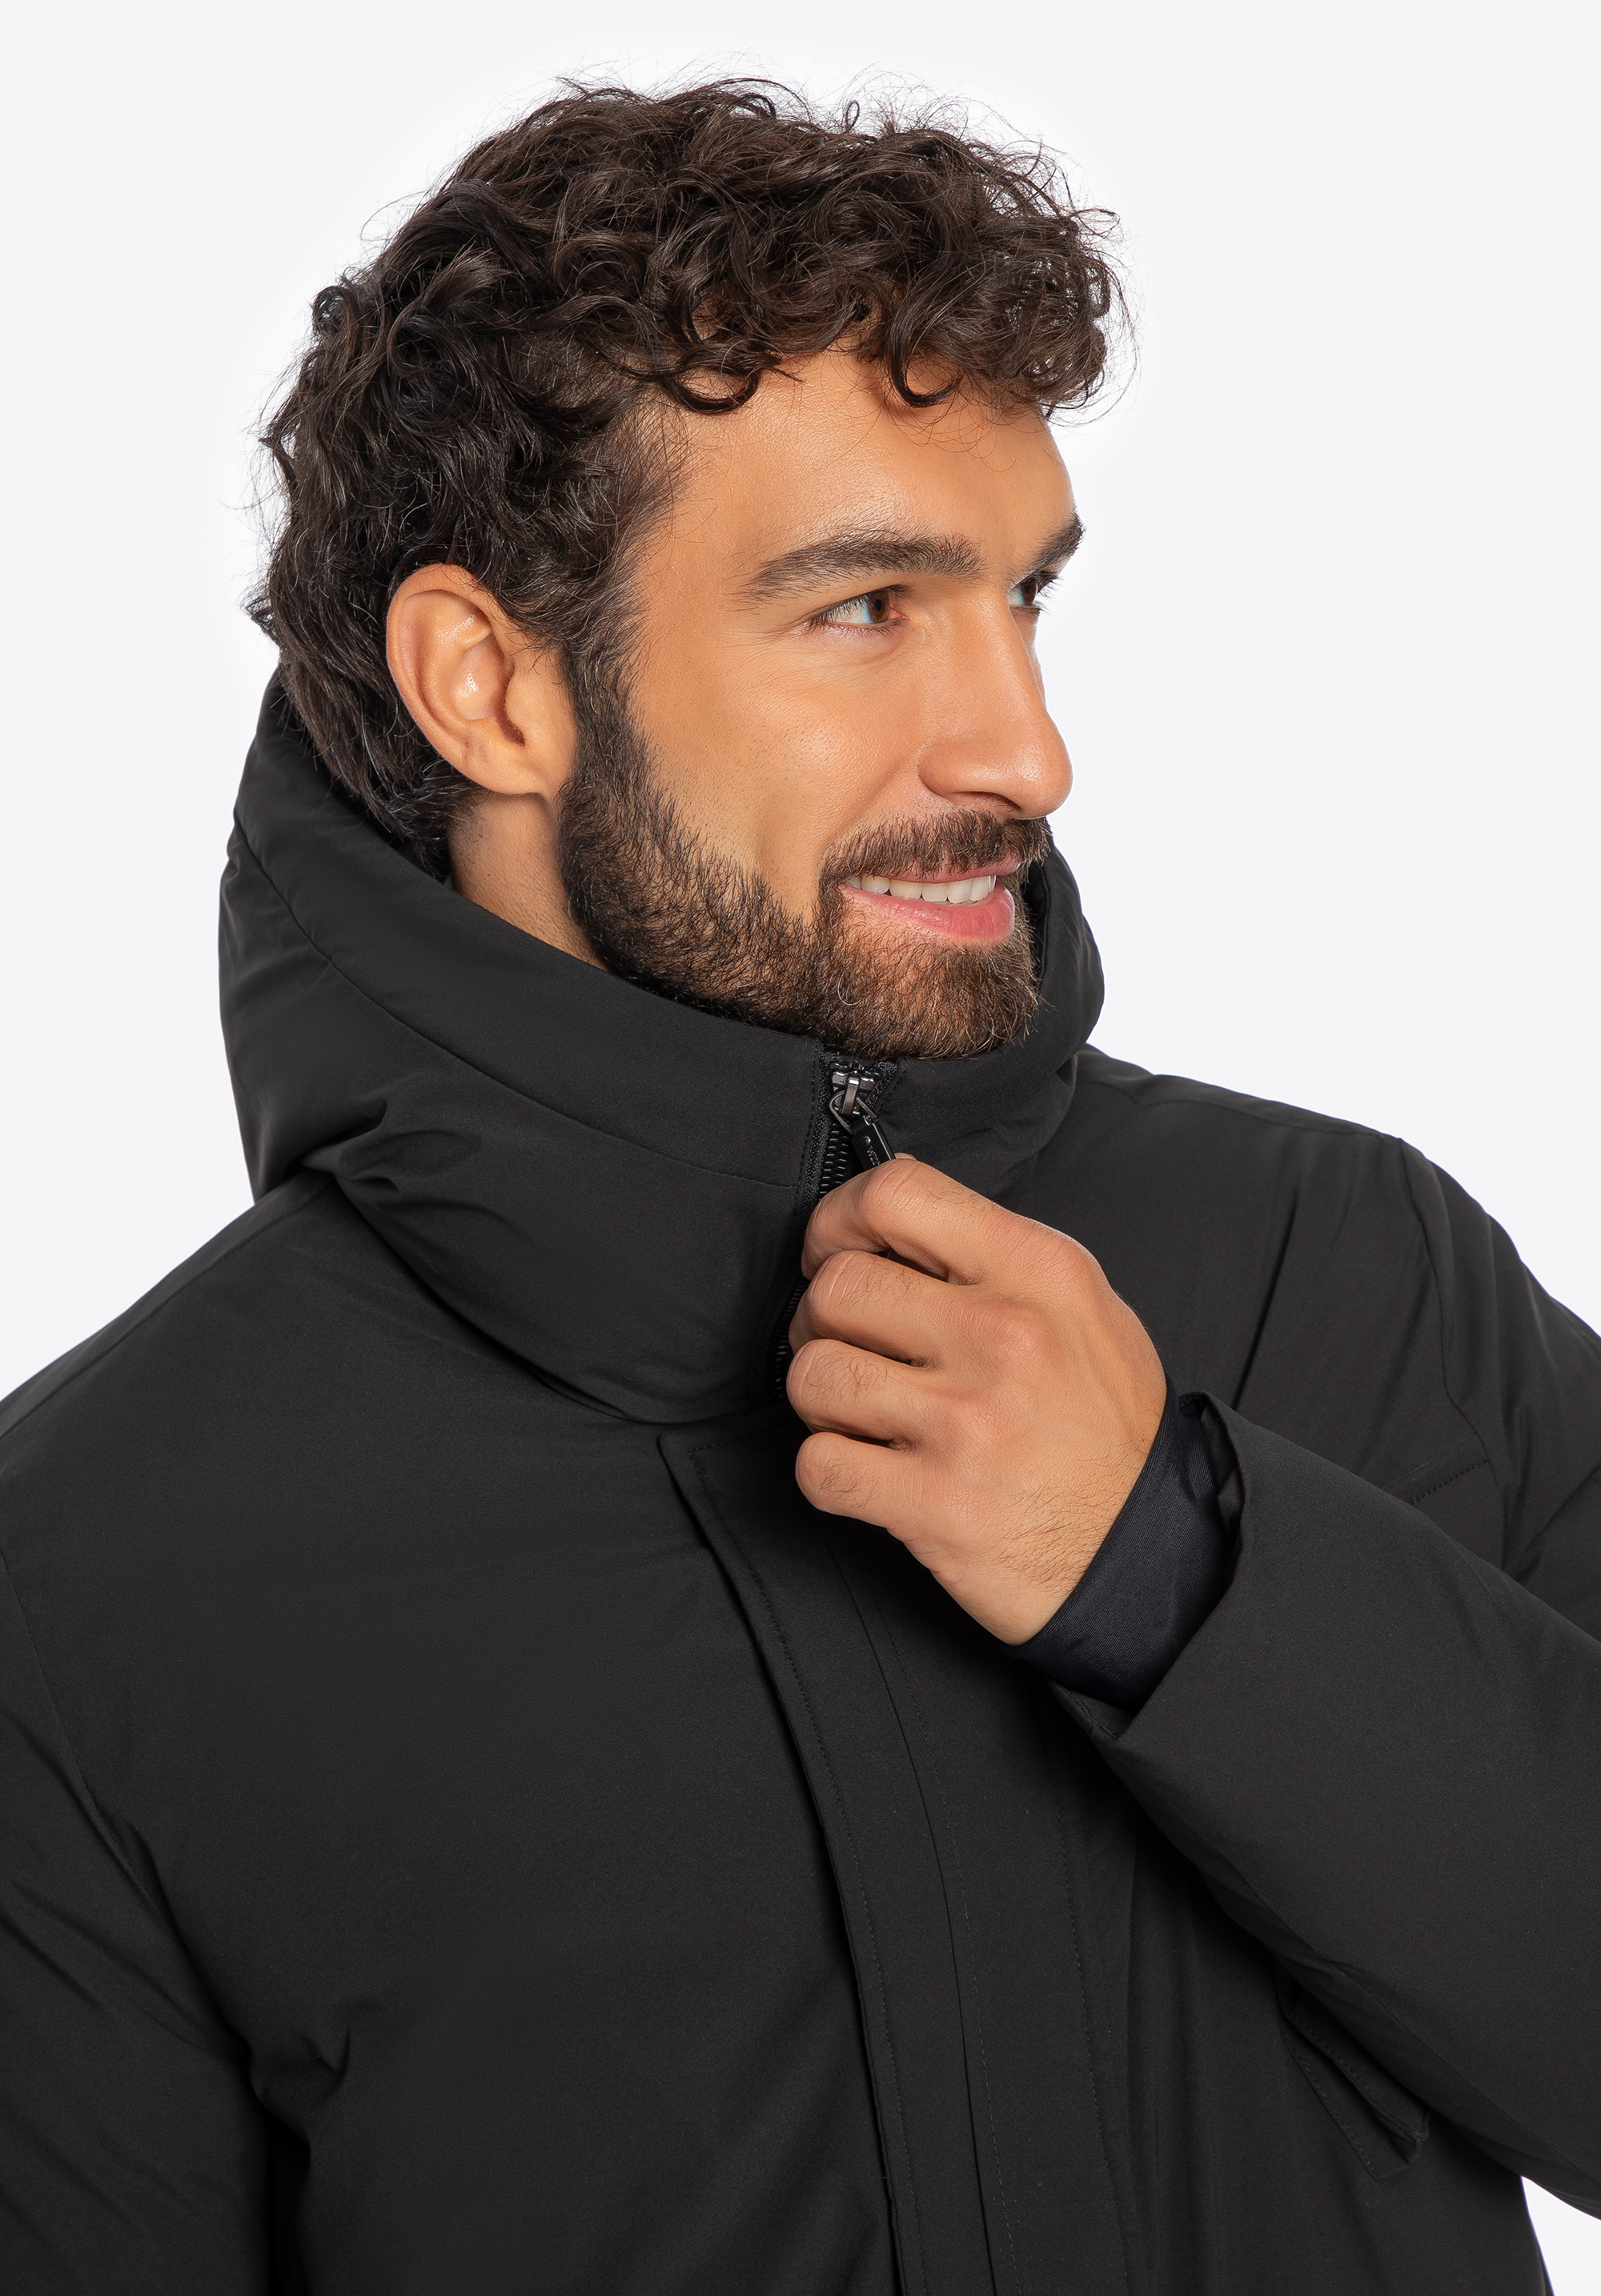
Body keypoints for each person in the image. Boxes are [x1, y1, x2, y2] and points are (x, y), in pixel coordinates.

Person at [0, 78, 1595, 2296]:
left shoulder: (1349, 1263)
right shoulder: (91, 1576)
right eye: (865, 608)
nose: (1024, 749)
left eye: (1022, 599)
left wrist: (1187, 1578)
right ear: (490, 685)